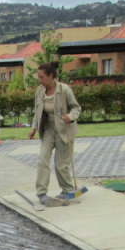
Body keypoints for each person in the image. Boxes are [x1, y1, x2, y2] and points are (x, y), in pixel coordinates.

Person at [27, 61, 82, 206]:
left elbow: (76, 108)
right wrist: (33, 127)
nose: (39, 80)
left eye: (42, 77)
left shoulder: (64, 90)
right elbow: (37, 112)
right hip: (48, 129)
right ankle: (42, 193)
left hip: (65, 130)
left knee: (61, 164)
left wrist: (70, 116)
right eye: (38, 77)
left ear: (51, 76)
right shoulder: (40, 91)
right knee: (43, 159)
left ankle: (68, 190)